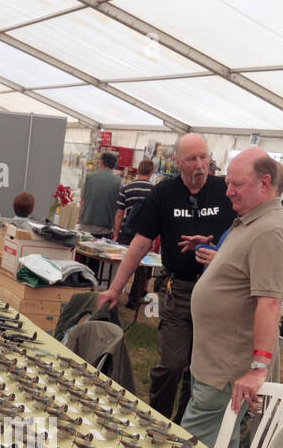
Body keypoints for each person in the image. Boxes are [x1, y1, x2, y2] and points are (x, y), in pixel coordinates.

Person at [99, 133, 234, 423]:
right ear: (177, 162)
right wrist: (115, 289)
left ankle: (184, 427)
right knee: (172, 364)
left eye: (203, 157)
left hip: (218, 294)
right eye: (191, 159)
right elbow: (140, 243)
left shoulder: (225, 189)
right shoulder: (164, 193)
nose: (200, 165)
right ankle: (156, 422)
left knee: (198, 371)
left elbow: (244, 234)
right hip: (180, 290)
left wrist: (216, 247)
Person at [180, 149, 283, 448]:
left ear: (265, 183)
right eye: (228, 183)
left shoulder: (269, 230)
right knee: (217, 446)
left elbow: (270, 303)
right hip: (215, 362)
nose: (228, 190)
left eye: (237, 184)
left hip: (227, 369)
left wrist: (258, 368)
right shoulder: (251, 221)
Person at [79, 151, 121, 238]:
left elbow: (82, 200)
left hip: (86, 224)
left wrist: (79, 218)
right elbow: (119, 209)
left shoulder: (89, 177)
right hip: (105, 227)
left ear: (101, 162)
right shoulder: (119, 182)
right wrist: (116, 232)